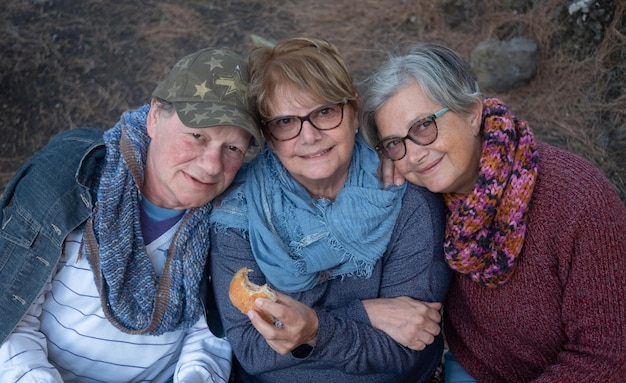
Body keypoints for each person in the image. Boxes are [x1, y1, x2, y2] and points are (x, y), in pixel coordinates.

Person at [360, 42, 626, 383]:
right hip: (472, 368)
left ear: (472, 113)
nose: (414, 154)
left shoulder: (579, 202)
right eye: (396, 143)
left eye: (424, 126)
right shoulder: (420, 199)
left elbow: (608, 355)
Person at [0, 47, 263, 382]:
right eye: (198, 135)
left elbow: (211, 331)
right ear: (155, 117)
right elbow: (12, 316)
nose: (212, 165)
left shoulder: (231, 218)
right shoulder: (74, 185)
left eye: (232, 148)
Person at [208, 36, 451, 383]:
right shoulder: (238, 211)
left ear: (354, 112)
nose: (309, 137)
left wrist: (310, 331)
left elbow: (407, 349)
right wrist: (358, 316)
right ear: (269, 136)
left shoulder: (405, 199)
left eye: (324, 112)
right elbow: (253, 349)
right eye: (285, 122)